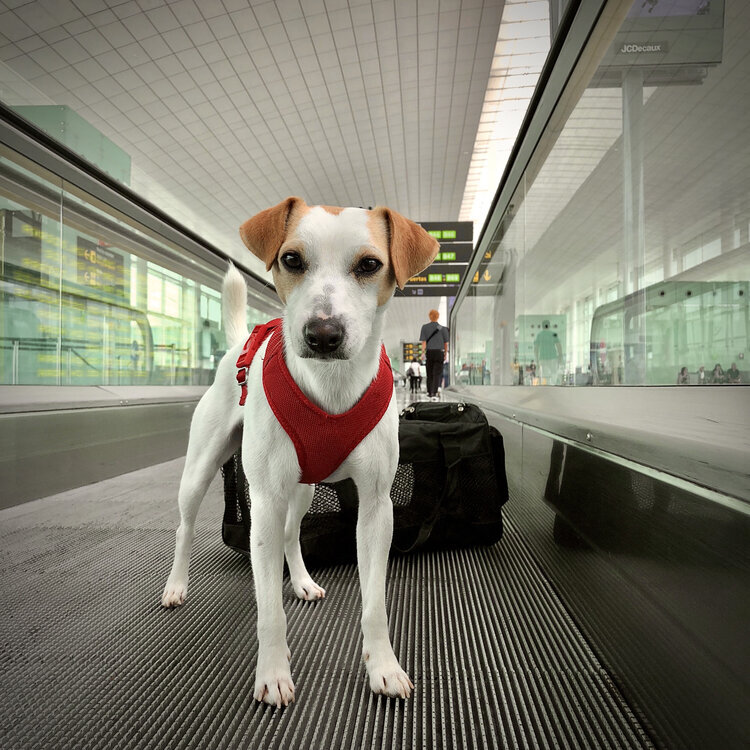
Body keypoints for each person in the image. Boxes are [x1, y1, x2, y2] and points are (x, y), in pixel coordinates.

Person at [420, 309, 449, 399]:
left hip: (430, 352)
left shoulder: (424, 327)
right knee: (437, 373)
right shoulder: (443, 328)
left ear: (429, 316)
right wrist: (445, 354)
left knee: (429, 373)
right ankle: (434, 392)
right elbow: (445, 343)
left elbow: (424, 342)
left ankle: (429, 392)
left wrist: (423, 353)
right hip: (439, 352)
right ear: (438, 317)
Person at [534, 320, 563, 385]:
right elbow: (559, 346)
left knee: (545, 375)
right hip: (553, 357)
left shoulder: (539, 335)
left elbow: (536, 348)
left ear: (542, 326)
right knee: (554, 373)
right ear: (549, 326)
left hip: (543, 358)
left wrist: (537, 360)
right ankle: (553, 386)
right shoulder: (554, 334)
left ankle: (547, 387)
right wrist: (560, 356)